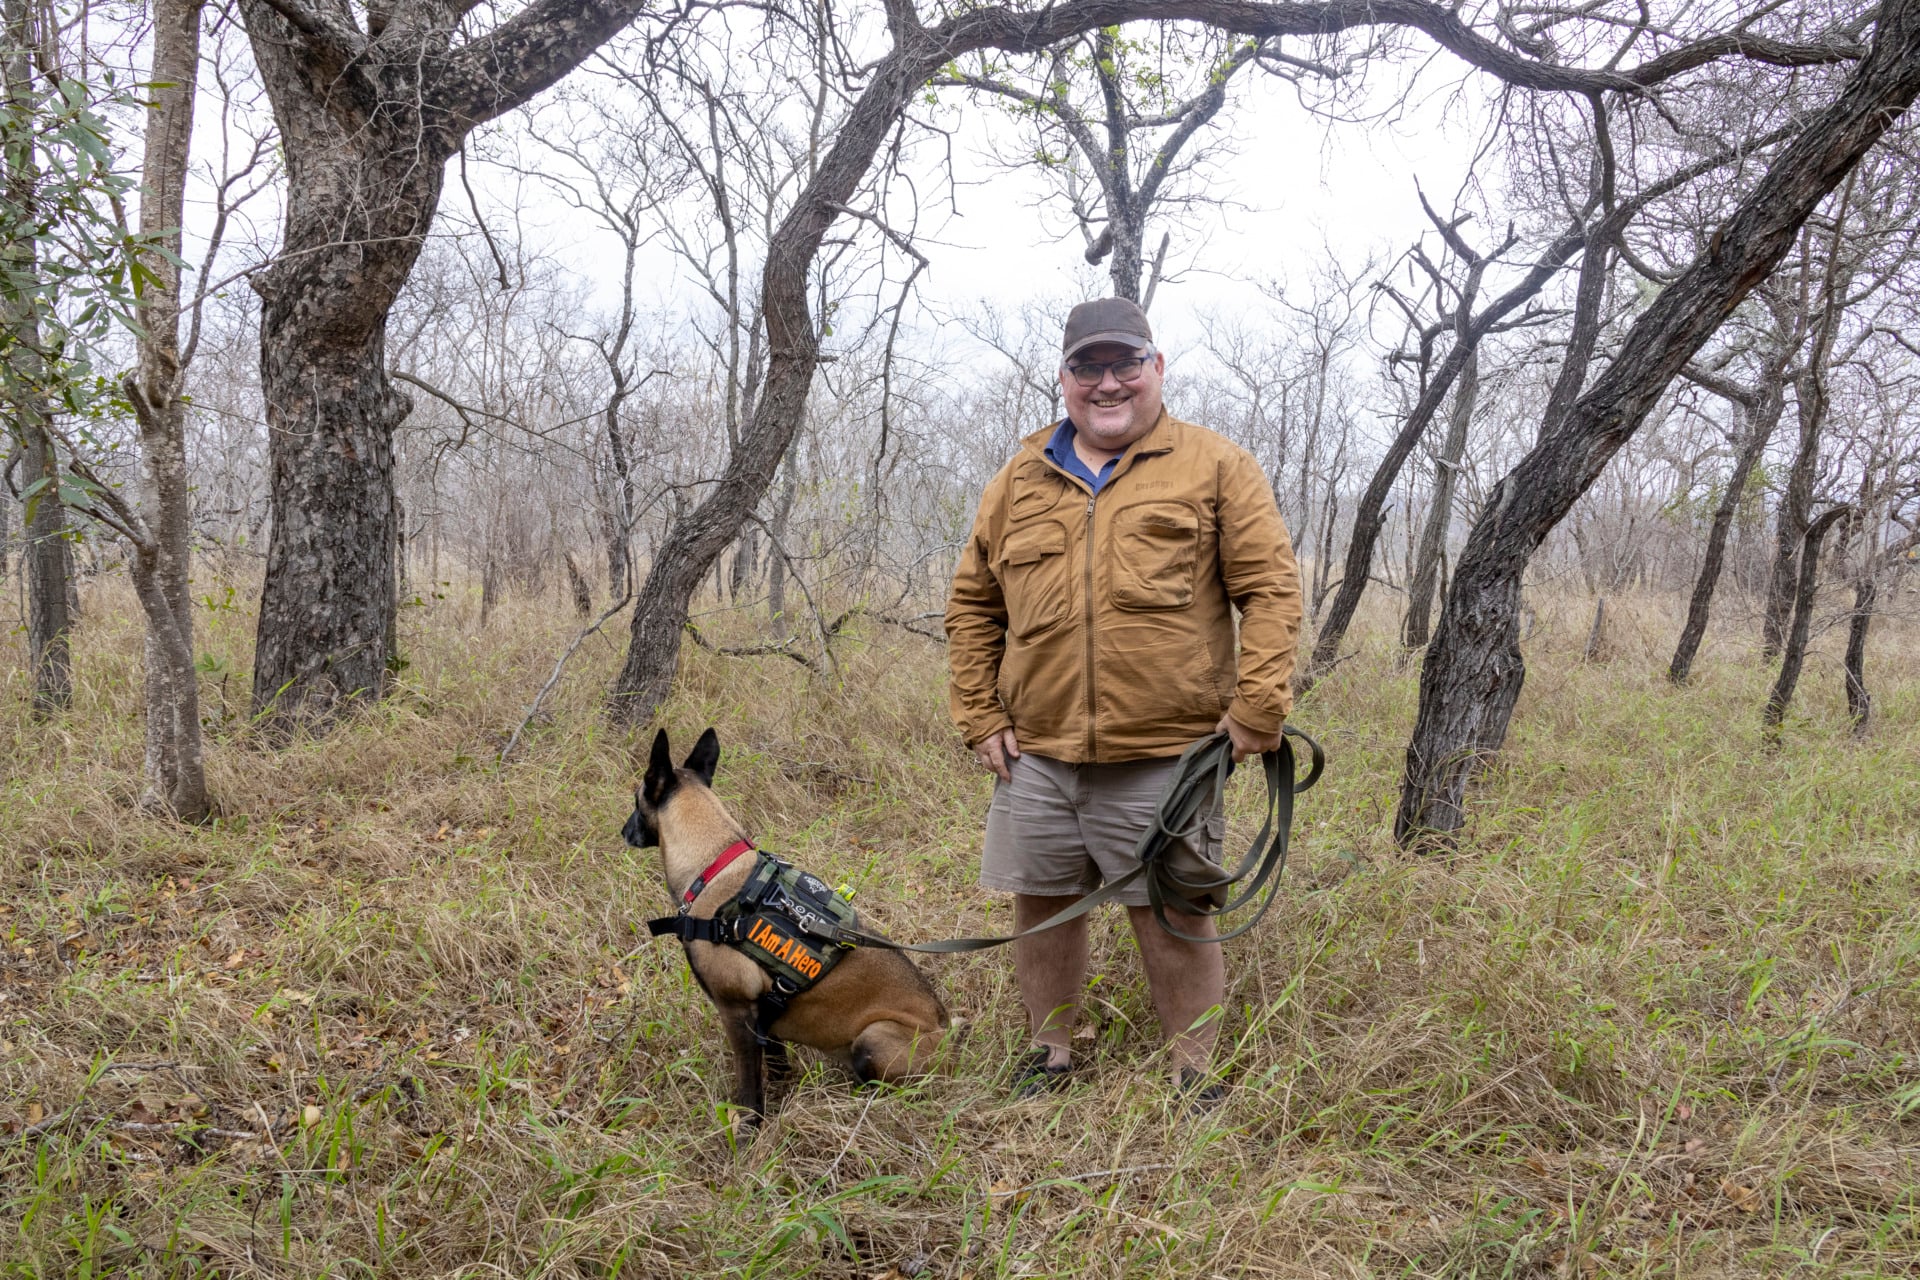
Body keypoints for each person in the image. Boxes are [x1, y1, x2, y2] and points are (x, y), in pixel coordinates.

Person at [944, 296, 1303, 1102]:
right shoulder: (1019, 479)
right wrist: (980, 714)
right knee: (1042, 903)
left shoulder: (1214, 465)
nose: (1108, 383)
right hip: (1037, 748)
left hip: (1166, 750)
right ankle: (1050, 1054)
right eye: (1088, 367)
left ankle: (1194, 1074)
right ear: (1065, 379)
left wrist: (1257, 710)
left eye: (1124, 364)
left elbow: (1271, 590)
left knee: (1170, 911)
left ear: (1156, 368)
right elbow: (973, 604)